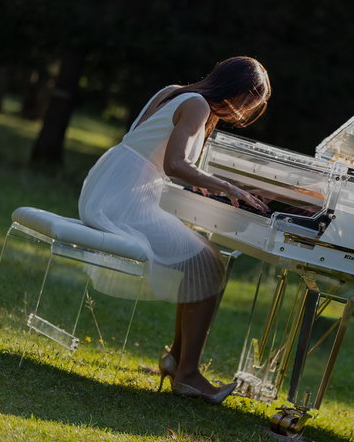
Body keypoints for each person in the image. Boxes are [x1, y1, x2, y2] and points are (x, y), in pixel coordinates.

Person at [78, 56, 271, 404]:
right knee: (209, 263)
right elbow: (174, 164)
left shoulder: (175, 92)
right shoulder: (197, 105)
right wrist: (227, 187)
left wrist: (203, 182)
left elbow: (151, 150)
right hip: (124, 199)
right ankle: (187, 374)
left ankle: (178, 361)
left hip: (109, 187)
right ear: (237, 91)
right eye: (248, 103)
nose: (244, 113)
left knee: (208, 261)